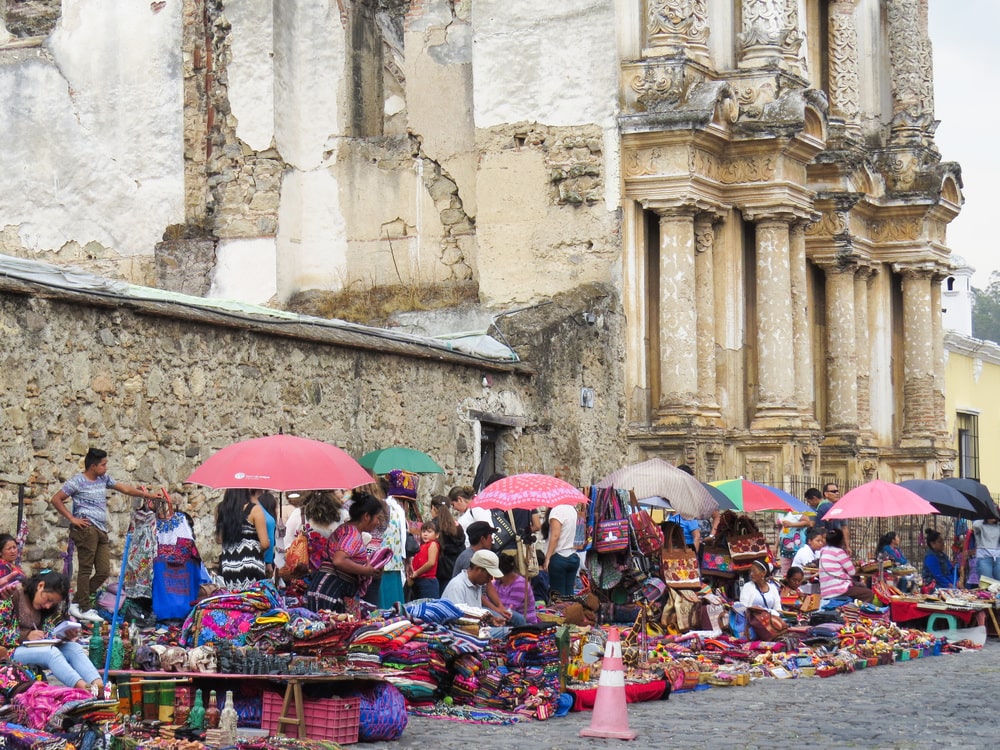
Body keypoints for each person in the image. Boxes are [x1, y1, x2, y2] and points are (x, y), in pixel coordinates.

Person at [49, 447, 162, 620]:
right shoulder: (78, 481)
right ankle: (85, 608)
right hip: (86, 529)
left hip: (101, 529)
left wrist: (147, 495)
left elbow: (125, 489)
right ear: (93, 466)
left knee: (103, 571)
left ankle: (77, 602)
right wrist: (72, 518)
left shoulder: (103, 478)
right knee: (85, 569)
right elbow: (56, 499)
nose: (105, 468)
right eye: (103, 465)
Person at [8, 571, 100, 691]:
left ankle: (99, 685)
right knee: (50, 654)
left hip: (31, 648)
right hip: (10, 651)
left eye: (52, 603)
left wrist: (63, 636)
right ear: (40, 586)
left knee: (73, 648)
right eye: (48, 599)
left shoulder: (45, 609)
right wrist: (26, 635)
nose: (47, 606)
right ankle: (84, 689)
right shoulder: (13, 595)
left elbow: (46, 634)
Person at [307, 492, 384, 613]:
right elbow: (339, 560)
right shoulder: (352, 534)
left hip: (326, 588)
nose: (378, 522)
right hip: (331, 591)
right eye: (377, 518)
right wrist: (366, 570)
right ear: (366, 516)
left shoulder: (347, 529)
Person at [452, 521, 524, 626]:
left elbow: (488, 585)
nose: (492, 539)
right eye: (490, 536)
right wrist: (496, 609)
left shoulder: (484, 556)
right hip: (475, 608)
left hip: (483, 605)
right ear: (482, 539)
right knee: (503, 621)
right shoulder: (470, 559)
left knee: (518, 618)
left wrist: (501, 606)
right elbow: (477, 594)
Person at [441, 550, 510, 633]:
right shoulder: (457, 585)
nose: (490, 579)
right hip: (458, 632)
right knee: (507, 632)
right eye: (488, 575)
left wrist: (491, 620)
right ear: (478, 569)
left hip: (474, 629)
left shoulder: (477, 585)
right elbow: (455, 618)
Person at [216, 488, 270, 589]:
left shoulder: (220, 510)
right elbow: (265, 544)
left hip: (228, 565)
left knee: (234, 602)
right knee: (253, 601)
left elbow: (220, 539)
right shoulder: (255, 510)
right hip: (251, 564)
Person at [818, 528, 873, 603]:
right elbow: (852, 572)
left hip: (825, 590)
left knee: (860, 586)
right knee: (868, 594)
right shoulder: (839, 552)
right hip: (839, 588)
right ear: (840, 541)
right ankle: (860, 613)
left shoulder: (823, 551)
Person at [430, 496, 466, 592]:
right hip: (455, 567)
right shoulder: (456, 525)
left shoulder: (433, 526)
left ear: (433, 508)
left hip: (440, 569)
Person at [543, 503, 579, 596]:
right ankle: (571, 610)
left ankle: (562, 610)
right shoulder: (573, 510)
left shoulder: (556, 511)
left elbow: (555, 536)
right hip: (573, 556)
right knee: (569, 594)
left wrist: (547, 558)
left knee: (558, 596)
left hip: (559, 557)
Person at [496, 553, 538, 623]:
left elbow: (508, 611)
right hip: (504, 620)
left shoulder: (521, 585)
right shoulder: (497, 583)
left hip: (524, 623)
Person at [407, 521, 440, 600]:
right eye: (423, 531)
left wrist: (416, 573)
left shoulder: (433, 544)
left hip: (428, 581)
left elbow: (431, 563)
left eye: (429, 532)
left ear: (437, 535)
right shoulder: (421, 546)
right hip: (418, 580)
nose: (425, 534)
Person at [776, 506, 814, 576]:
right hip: (784, 550)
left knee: (797, 572)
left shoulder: (795, 511)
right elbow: (780, 531)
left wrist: (791, 524)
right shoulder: (780, 513)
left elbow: (808, 522)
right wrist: (776, 546)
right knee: (785, 573)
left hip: (797, 548)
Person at [814, 483, 850, 554]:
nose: (836, 493)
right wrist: (847, 546)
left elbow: (821, 530)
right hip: (836, 544)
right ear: (826, 494)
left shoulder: (821, 508)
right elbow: (844, 528)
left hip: (829, 546)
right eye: (833, 492)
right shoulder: (827, 508)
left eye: (837, 491)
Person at [253, 491, 278, 576]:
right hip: (260, 560)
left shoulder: (252, 510)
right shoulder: (268, 519)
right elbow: (269, 541)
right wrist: (268, 562)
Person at [972, 518, 1000, 582]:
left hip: (998, 557)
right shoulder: (980, 524)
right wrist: (985, 519)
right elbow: (975, 525)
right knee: (986, 584)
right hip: (984, 557)